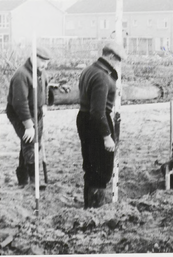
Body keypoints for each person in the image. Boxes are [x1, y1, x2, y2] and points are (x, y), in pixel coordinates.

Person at [76, 42, 126, 208]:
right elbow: (98, 111)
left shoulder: (90, 69)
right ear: (111, 57)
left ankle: (89, 206)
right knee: (102, 169)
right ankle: (96, 208)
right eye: (118, 60)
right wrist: (106, 136)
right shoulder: (102, 76)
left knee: (90, 167)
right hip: (97, 121)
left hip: (85, 119)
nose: (118, 64)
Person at [6, 46, 51, 188]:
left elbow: (45, 89)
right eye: (42, 61)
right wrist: (28, 125)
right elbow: (20, 103)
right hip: (20, 113)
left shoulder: (42, 73)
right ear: (33, 57)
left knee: (30, 142)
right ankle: (33, 180)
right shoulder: (22, 75)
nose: (45, 65)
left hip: (36, 111)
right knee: (30, 142)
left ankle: (23, 178)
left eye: (47, 62)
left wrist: (44, 105)